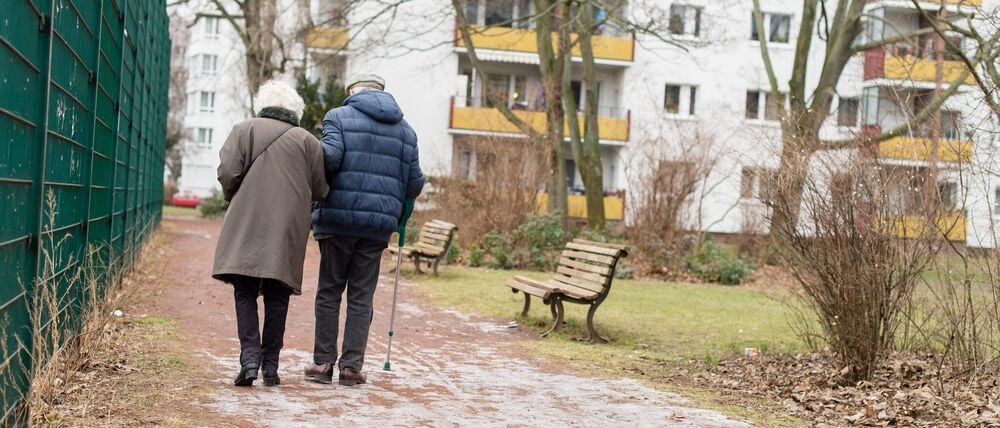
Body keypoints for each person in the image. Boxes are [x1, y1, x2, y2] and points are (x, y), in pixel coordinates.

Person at [305, 73, 425, 386]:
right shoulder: (406, 132)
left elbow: (329, 159)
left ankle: (322, 364)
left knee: (330, 290)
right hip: (377, 227)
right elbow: (414, 183)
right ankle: (351, 368)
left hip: (337, 220)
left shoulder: (337, 117)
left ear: (351, 91)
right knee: (362, 296)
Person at [213, 80, 329, 387]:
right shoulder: (309, 142)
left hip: (248, 218)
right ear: (296, 110)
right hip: (288, 226)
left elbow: (227, 172)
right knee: (278, 294)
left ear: (261, 104)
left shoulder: (244, 130)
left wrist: (234, 195)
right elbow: (320, 189)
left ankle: (250, 357)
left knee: (245, 288)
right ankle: (271, 365)